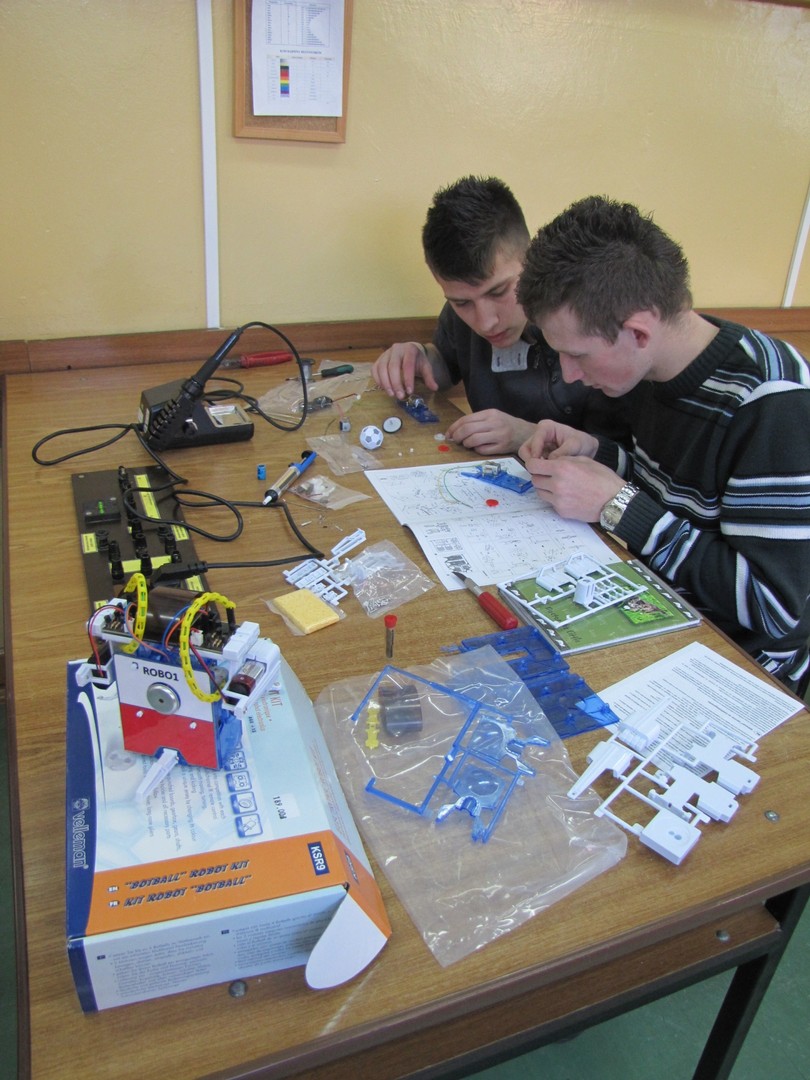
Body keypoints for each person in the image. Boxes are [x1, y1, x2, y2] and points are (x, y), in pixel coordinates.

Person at [516, 194, 810, 692]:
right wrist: (598, 454)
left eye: (577, 354)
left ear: (637, 332)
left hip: (747, 663)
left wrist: (616, 506)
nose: (569, 373)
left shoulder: (772, 403)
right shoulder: (649, 367)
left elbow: (774, 609)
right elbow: (681, 494)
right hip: (661, 607)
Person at [371, 176, 628, 455]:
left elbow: (622, 460)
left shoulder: (583, 320)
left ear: (530, 257)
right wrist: (419, 356)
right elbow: (446, 362)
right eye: (462, 302)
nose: (486, 323)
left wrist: (527, 435)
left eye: (498, 292)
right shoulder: (462, 313)